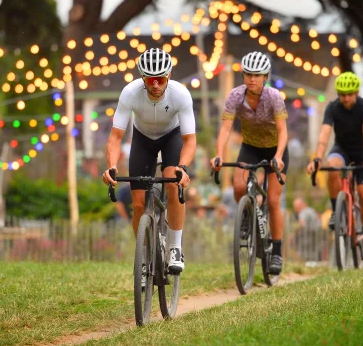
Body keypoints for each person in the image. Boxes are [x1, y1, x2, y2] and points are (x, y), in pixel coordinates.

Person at [102, 48, 196, 274]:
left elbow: (190, 140)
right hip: (142, 139)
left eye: (161, 79)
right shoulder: (129, 93)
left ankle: (175, 247)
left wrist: (182, 168)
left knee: (173, 185)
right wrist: (112, 166)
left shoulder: (181, 95)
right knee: (137, 204)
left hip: (171, 137)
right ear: (143, 78)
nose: (156, 85)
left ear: (169, 77)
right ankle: (143, 257)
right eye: (151, 79)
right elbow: (115, 137)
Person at [210, 51, 288, 275]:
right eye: (248, 74)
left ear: (265, 76)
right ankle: (246, 214)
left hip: (275, 150)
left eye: (257, 75)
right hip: (251, 148)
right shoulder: (235, 96)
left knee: (273, 200)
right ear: (243, 75)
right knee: (238, 186)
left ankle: (278, 252)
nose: (252, 78)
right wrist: (218, 154)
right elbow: (225, 129)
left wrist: (279, 155)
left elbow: (283, 131)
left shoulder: (274, 97)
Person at [306, 71, 363, 261]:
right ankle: (336, 211)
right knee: (332, 166)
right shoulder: (332, 107)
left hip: (362, 153)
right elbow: (324, 134)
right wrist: (318, 158)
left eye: (350, 94)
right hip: (342, 150)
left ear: (357, 92)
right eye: (342, 94)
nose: (346, 98)